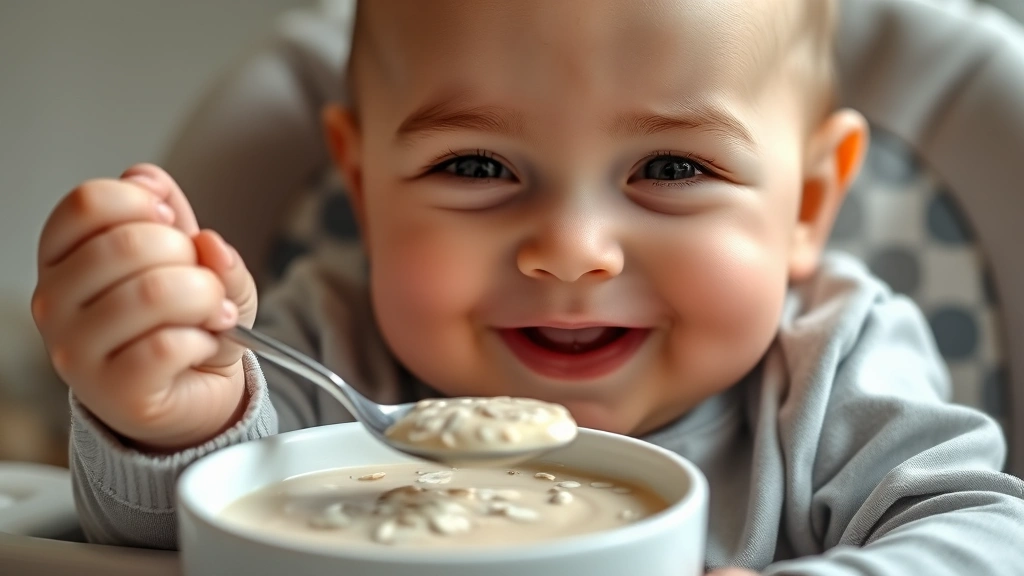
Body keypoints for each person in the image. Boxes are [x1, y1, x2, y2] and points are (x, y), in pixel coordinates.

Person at [31, 0, 1024, 574]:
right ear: (365, 188)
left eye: (671, 170)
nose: (571, 251)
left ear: (806, 204)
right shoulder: (317, 350)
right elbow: (176, 542)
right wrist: (172, 423)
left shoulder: (833, 369)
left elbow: (989, 535)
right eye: (475, 167)